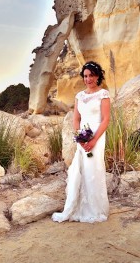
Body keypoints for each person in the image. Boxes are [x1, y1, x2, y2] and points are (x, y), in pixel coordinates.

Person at [52, 61, 111, 223]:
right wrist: (80, 137)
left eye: (91, 75)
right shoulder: (79, 96)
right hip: (83, 137)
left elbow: (105, 120)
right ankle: (77, 206)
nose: (88, 79)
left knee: (93, 169)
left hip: (97, 137)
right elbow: (76, 118)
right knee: (80, 169)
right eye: (85, 76)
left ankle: (95, 208)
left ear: (98, 76)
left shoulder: (103, 94)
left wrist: (93, 140)